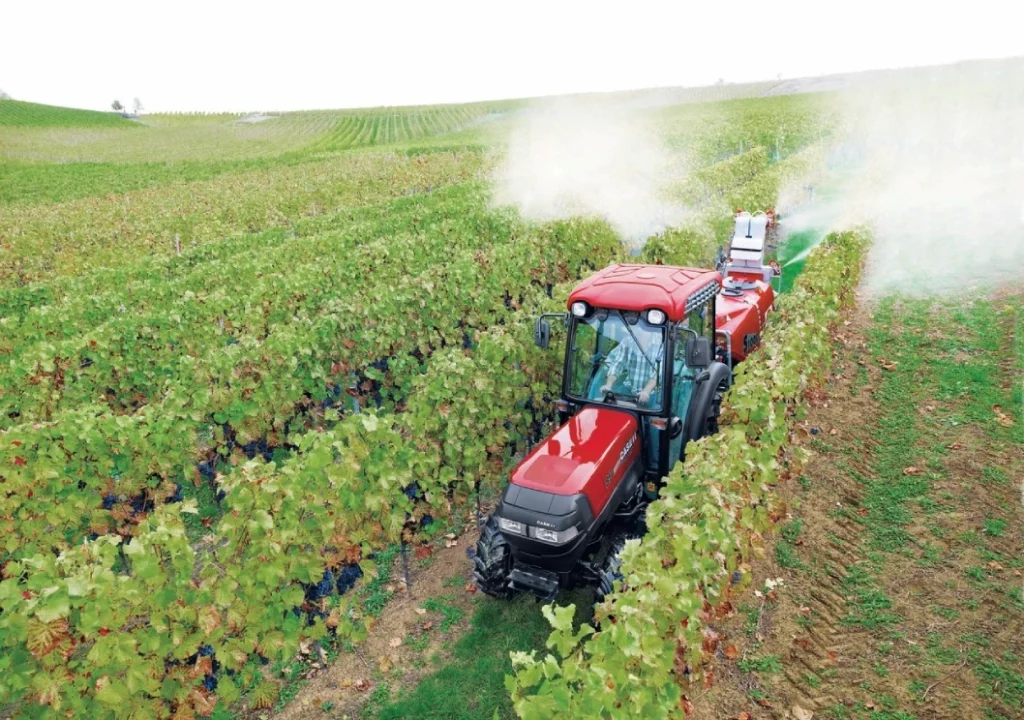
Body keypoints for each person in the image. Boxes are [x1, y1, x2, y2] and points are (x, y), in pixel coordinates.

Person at [597, 327, 664, 407]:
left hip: (653, 393)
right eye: (636, 326)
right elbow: (617, 365)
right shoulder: (627, 342)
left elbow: (658, 372)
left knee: (652, 417)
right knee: (610, 408)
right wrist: (608, 385)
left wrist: (646, 391)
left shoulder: (660, 344)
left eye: (641, 327)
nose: (638, 329)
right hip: (629, 389)